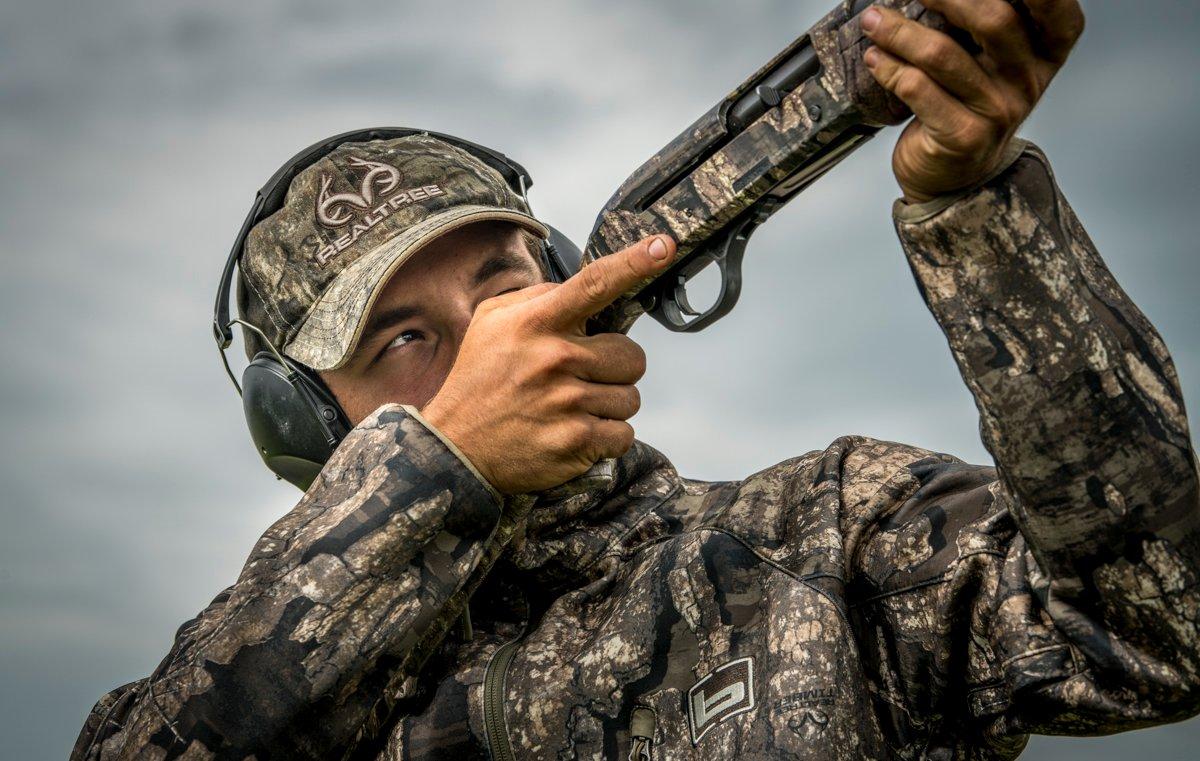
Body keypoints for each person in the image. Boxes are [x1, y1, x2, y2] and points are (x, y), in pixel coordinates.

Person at [72, 1, 1200, 759]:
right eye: (401, 338)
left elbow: (1157, 634)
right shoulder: (297, 693)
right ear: (314, 429)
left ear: (566, 274)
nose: (494, 342)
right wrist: (437, 472)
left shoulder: (823, 530)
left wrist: (978, 212)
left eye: (503, 280)